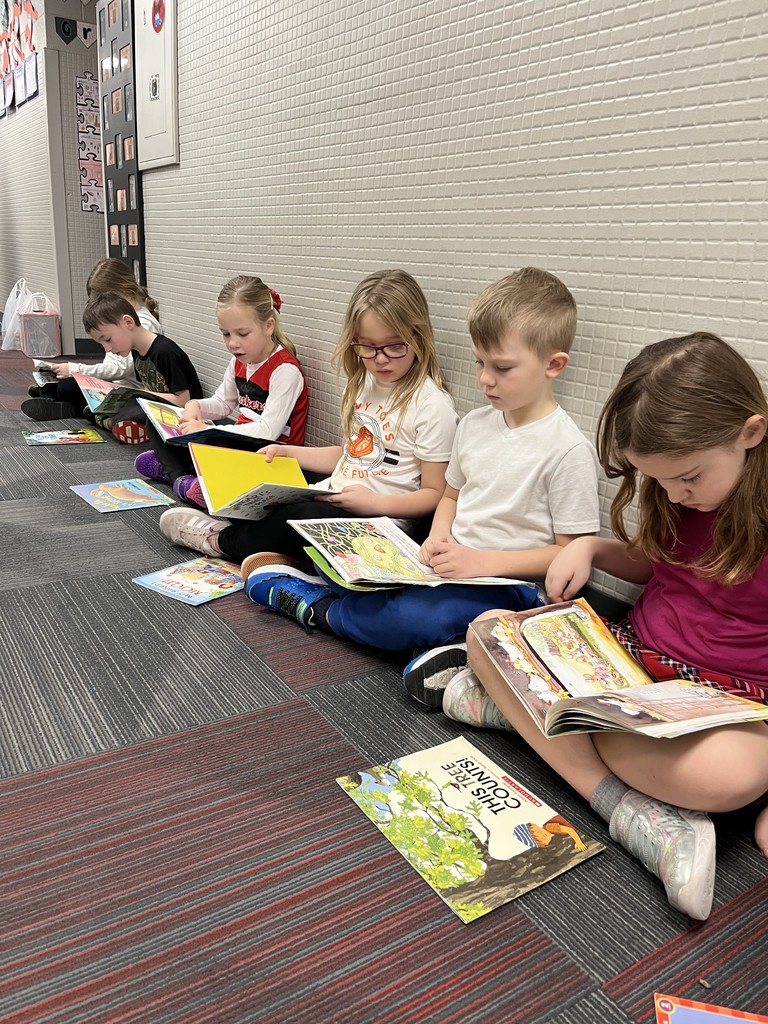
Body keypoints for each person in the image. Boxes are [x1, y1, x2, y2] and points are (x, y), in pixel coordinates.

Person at [459, 331, 768, 921]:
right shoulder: (680, 491)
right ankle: (625, 808)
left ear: (749, 434)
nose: (677, 494)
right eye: (661, 482)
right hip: (629, 659)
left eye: (690, 479)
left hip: (730, 699)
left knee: (729, 777)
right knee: (487, 633)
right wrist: (596, 549)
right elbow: (658, 561)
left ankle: (530, 721)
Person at [243, 268, 600, 659]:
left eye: (502, 367)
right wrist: (439, 536)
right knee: (352, 568)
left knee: (415, 617)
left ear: (554, 365)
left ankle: (320, 609)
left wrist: (480, 562)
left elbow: (570, 552)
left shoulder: (567, 450)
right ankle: (399, 623)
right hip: (445, 566)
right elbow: (450, 496)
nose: (485, 379)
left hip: (509, 584)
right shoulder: (476, 425)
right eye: (480, 363)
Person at [157, 268, 458, 563]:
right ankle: (270, 550)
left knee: (300, 517)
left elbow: (434, 493)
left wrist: (375, 503)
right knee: (268, 490)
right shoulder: (365, 383)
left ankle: (218, 541)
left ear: (418, 336)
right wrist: (287, 452)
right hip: (335, 497)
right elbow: (348, 456)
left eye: (394, 346)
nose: (379, 359)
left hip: (380, 524)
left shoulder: (432, 405)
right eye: (367, 347)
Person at [134, 275, 308, 508]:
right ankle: (187, 477)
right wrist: (194, 406)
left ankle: (177, 473)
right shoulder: (239, 361)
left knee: (215, 444)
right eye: (226, 334)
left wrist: (208, 431)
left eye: (242, 334)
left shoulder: (285, 370)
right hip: (238, 443)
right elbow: (222, 404)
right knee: (156, 420)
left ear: (268, 326)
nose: (233, 343)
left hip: (269, 455)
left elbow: (267, 431)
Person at [21, 259, 162, 437]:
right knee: (70, 385)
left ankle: (65, 403)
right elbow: (114, 365)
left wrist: (76, 369)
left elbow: (121, 369)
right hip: (117, 384)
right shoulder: (121, 322)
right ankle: (61, 400)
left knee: (72, 388)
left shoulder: (142, 324)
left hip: (130, 390)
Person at [81, 291, 203, 442]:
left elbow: (184, 401)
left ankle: (122, 425)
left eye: (108, 339)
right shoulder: (136, 351)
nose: (107, 349)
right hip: (155, 406)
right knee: (90, 410)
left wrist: (139, 395)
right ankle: (120, 424)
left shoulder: (164, 351)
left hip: (181, 412)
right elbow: (148, 388)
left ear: (128, 322)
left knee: (135, 410)